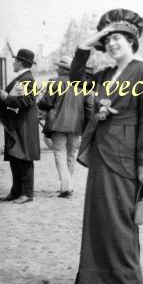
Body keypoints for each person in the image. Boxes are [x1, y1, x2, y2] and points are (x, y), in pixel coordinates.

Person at [69, 9, 143, 284]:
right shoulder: (105, 74)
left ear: (132, 39)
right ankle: (101, 279)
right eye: (107, 41)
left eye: (117, 38)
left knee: (121, 217)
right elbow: (75, 76)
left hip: (126, 154)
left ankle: (132, 282)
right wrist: (91, 41)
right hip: (101, 150)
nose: (112, 44)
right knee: (100, 215)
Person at [38, 56, 93, 198]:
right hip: (76, 126)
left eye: (58, 67)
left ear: (64, 69)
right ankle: (67, 185)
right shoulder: (82, 84)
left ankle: (66, 187)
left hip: (58, 124)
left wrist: (40, 102)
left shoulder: (54, 83)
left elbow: (46, 103)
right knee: (70, 155)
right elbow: (89, 106)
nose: (56, 69)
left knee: (59, 154)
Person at [0, 48, 40, 204]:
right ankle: (16, 191)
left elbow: (28, 101)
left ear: (21, 62)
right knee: (15, 158)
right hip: (17, 125)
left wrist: (6, 98)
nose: (13, 63)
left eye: (15, 61)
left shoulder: (27, 79)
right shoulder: (24, 77)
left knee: (24, 158)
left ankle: (27, 193)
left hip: (23, 126)